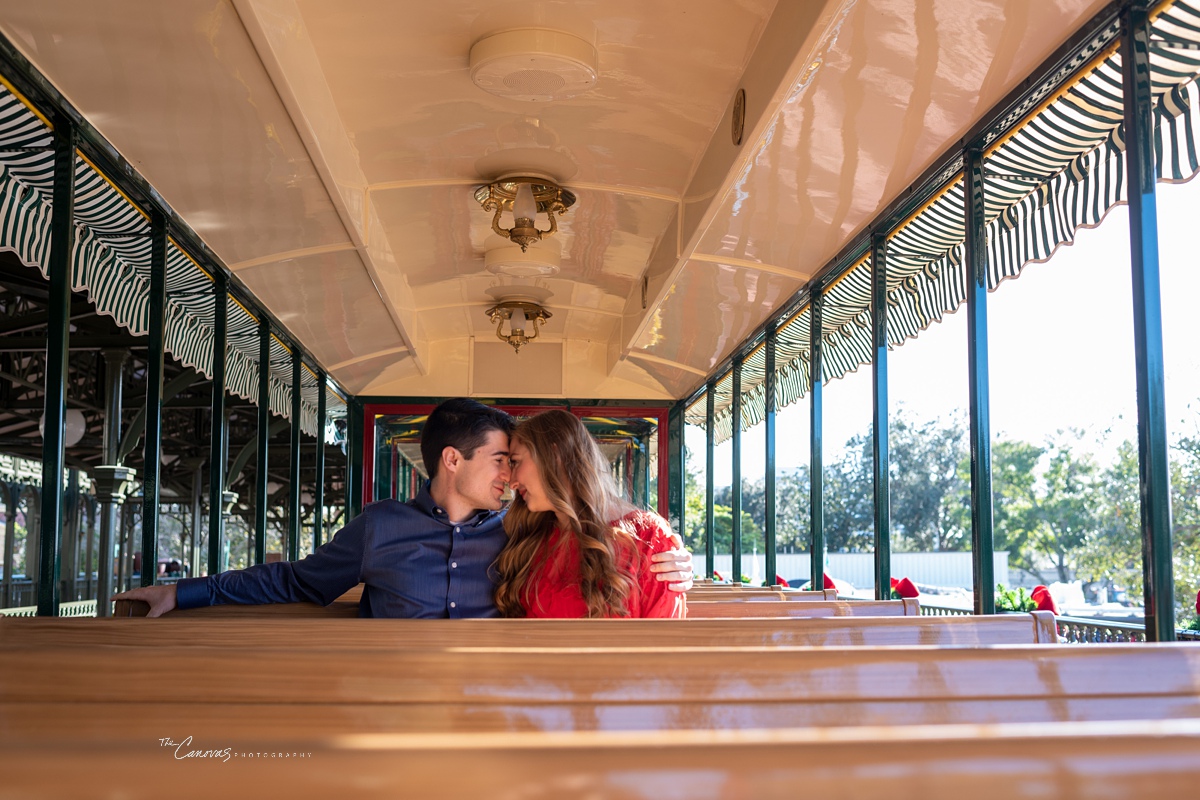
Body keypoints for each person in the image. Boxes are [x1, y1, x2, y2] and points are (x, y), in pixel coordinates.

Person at [115, 398, 693, 618]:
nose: (510, 476)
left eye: (515, 462)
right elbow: (296, 581)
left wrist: (675, 561)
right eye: (500, 461)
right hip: (383, 698)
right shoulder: (380, 528)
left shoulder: (525, 532)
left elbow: (611, 548)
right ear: (452, 460)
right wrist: (182, 591)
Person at [495, 409, 685, 618]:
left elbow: (665, 640)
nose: (511, 482)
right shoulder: (529, 537)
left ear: (555, 455)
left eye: (515, 461)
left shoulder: (648, 537)